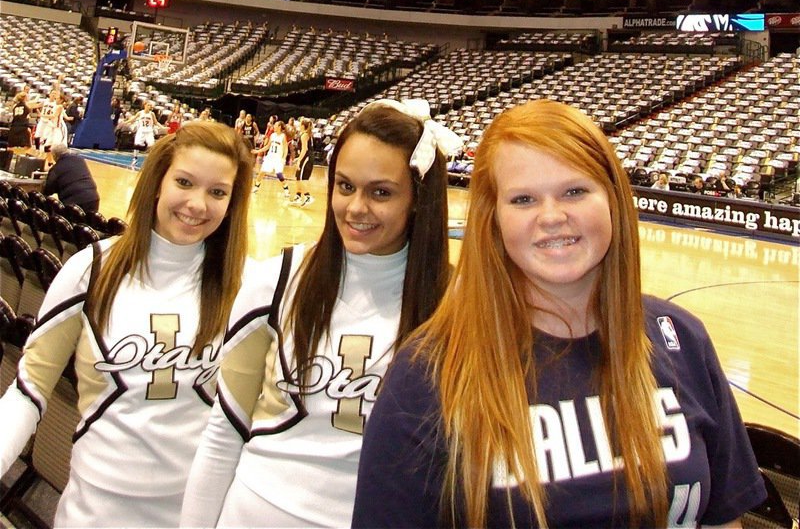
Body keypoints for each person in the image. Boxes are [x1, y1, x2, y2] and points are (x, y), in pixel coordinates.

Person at [352, 100, 766, 529]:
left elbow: (721, 519)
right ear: (493, 220)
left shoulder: (682, 340)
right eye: (524, 199)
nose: (552, 217)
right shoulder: (428, 372)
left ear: (613, 199)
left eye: (574, 191)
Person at [179, 97, 460, 529]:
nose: (355, 208)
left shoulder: (457, 303)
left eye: (380, 192)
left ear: (419, 198)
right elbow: (223, 433)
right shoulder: (274, 281)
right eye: (345, 186)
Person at [0, 119, 252, 529]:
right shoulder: (92, 271)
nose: (197, 204)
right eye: (184, 182)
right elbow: (29, 390)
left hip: (196, 515)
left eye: (217, 192)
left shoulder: (248, 288)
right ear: (157, 182)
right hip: (93, 512)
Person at [43, 143, 100, 213]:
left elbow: (48, 190)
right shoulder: (80, 159)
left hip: (74, 202)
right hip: (92, 198)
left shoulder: (56, 169)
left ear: (55, 156)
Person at [252, 117, 290, 196]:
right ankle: (256, 187)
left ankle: (286, 190)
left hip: (278, 158)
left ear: (279, 127)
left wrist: (283, 158)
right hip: (270, 157)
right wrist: (258, 151)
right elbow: (267, 146)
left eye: (276, 125)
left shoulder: (283, 136)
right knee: (262, 172)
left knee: (279, 175)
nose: (274, 126)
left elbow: (286, 149)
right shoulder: (272, 135)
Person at [291, 116, 315, 206]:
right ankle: (298, 196)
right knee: (298, 177)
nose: (299, 126)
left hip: (306, 158)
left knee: (302, 179)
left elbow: (305, 149)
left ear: (303, 126)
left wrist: (299, 161)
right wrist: (298, 158)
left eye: (300, 124)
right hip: (306, 157)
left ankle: (308, 197)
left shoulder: (304, 135)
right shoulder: (307, 134)